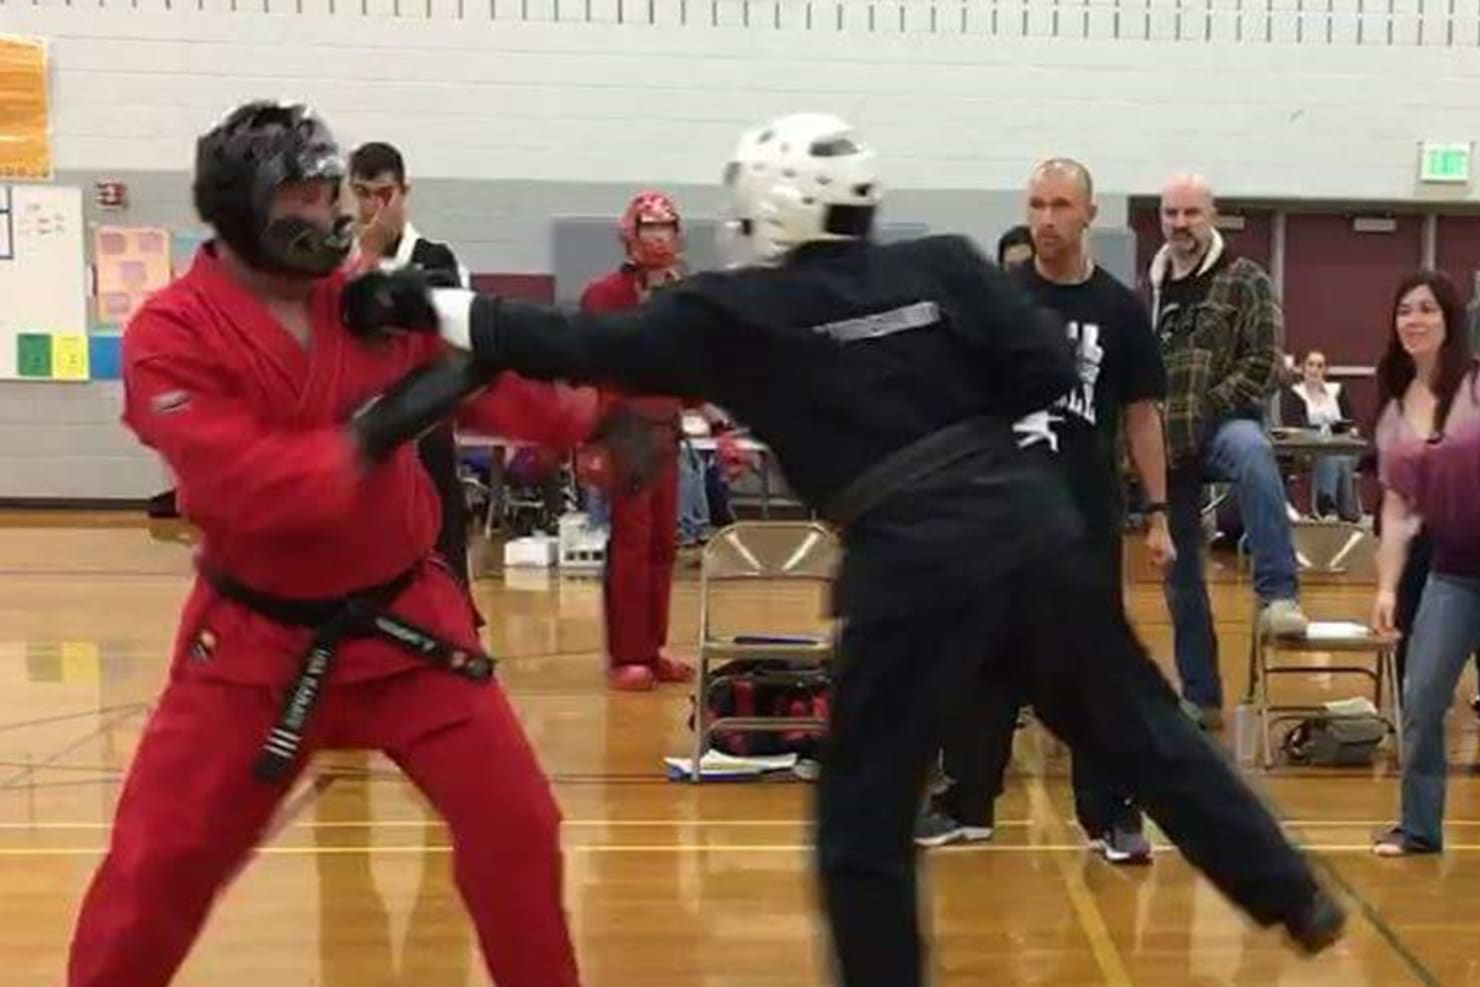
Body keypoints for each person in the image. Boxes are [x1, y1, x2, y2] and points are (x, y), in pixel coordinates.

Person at [345, 111, 1345, 987]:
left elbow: (568, 341)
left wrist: (411, 300)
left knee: (864, 822)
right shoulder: (947, 264)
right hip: (1029, 524)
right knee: (1141, 730)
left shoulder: (735, 311)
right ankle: (1292, 894)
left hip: (909, 563)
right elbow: (1044, 368)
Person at [63, 100, 661, 987]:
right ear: (242, 212)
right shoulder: (171, 333)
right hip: (253, 649)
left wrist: (596, 418)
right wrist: (378, 429)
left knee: (519, 828)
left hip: (405, 624)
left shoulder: (367, 295)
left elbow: (495, 390)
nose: (331, 212)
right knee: (158, 871)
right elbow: (243, 481)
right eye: (302, 196)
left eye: (330, 188)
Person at [915, 159, 1175, 865]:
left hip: (1082, 519)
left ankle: (1110, 814)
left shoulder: (1120, 310)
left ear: (1089, 214)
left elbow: (1143, 416)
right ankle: (966, 803)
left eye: (1062, 205)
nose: (1047, 219)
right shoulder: (1001, 301)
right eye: (1036, 204)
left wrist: (1157, 511)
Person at [1151, 173, 1308, 729]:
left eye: (1191, 213)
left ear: (1212, 215)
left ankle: (1280, 594)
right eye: (1171, 213)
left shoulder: (1246, 280)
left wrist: (1206, 406)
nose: (1180, 224)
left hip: (1222, 425)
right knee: (1180, 576)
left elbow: (1264, 364)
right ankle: (1201, 695)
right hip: (1164, 445)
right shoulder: (1153, 288)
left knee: (1253, 454)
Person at [1369, 271, 1480, 856]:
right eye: (1404, 310)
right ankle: (1418, 827)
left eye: (1427, 310)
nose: (1414, 320)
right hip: (1454, 572)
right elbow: (1397, 508)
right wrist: (1387, 589)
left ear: (1450, 320)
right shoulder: (1396, 411)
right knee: (1422, 699)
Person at [347, 141, 479, 589]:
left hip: (424, 425)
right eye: (362, 192)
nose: (372, 206)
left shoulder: (437, 259)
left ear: (404, 192)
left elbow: (454, 338)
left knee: (440, 540)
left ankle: (456, 626)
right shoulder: (337, 262)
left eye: (383, 194)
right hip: (359, 427)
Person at [579, 191, 695, 690]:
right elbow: (593, 367)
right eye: (650, 228)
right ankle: (627, 654)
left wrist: (710, 415)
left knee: (664, 544)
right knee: (631, 541)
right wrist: (592, 440)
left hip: (668, 426)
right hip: (624, 427)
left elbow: (696, 363)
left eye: (667, 228)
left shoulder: (683, 295)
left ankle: (652, 647)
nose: (659, 238)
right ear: (631, 235)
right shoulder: (605, 295)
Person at [1281, 349, 1361, 520]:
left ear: (1325, 370)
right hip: (1309, 450)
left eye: (1320, 365)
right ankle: (1344, 510)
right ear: (1302, 368)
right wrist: (1327, 432)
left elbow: (1351, 422)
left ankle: (1326, 503)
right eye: (1310, 364)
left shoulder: (1337, 391)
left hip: (1344, 446)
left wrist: (1343, 430)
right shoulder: (1295, 394)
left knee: (1339, 455)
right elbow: (1294, 426)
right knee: (1332, 455)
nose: (1315, 369)